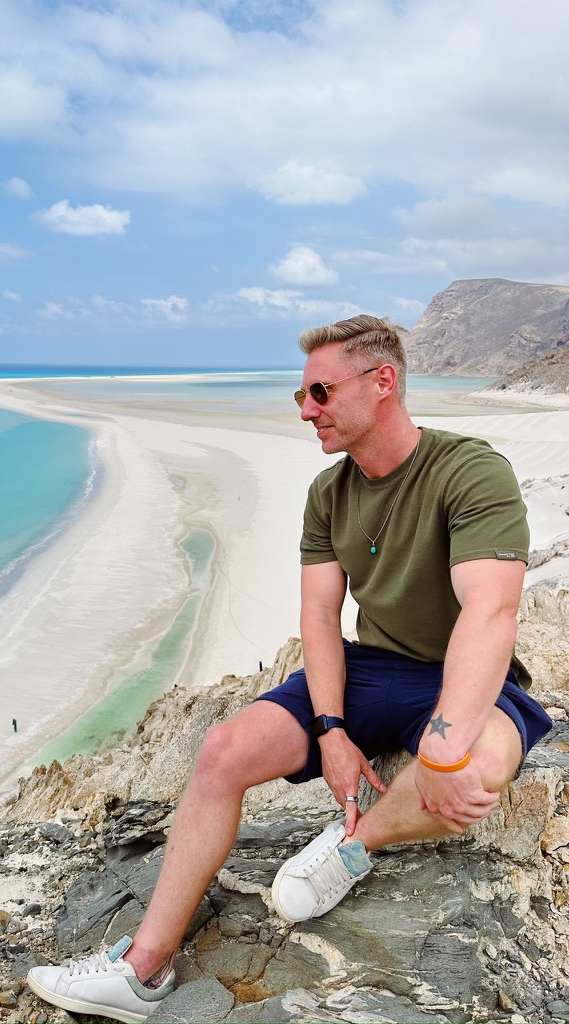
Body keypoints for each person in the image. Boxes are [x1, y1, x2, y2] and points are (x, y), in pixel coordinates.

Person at [27, 315, 552, 1023]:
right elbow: (318, 620)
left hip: (463, 673)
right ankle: (141, 968)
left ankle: (353, 844)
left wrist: (444, 743)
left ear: (384, 382)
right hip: (370, 669)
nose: (306, 410)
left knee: (474, 769)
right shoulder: (328, 494)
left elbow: (489, 612)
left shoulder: (469, 470)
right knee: (222, 751)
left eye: (321, 392)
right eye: (303, 396)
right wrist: (332, 730)